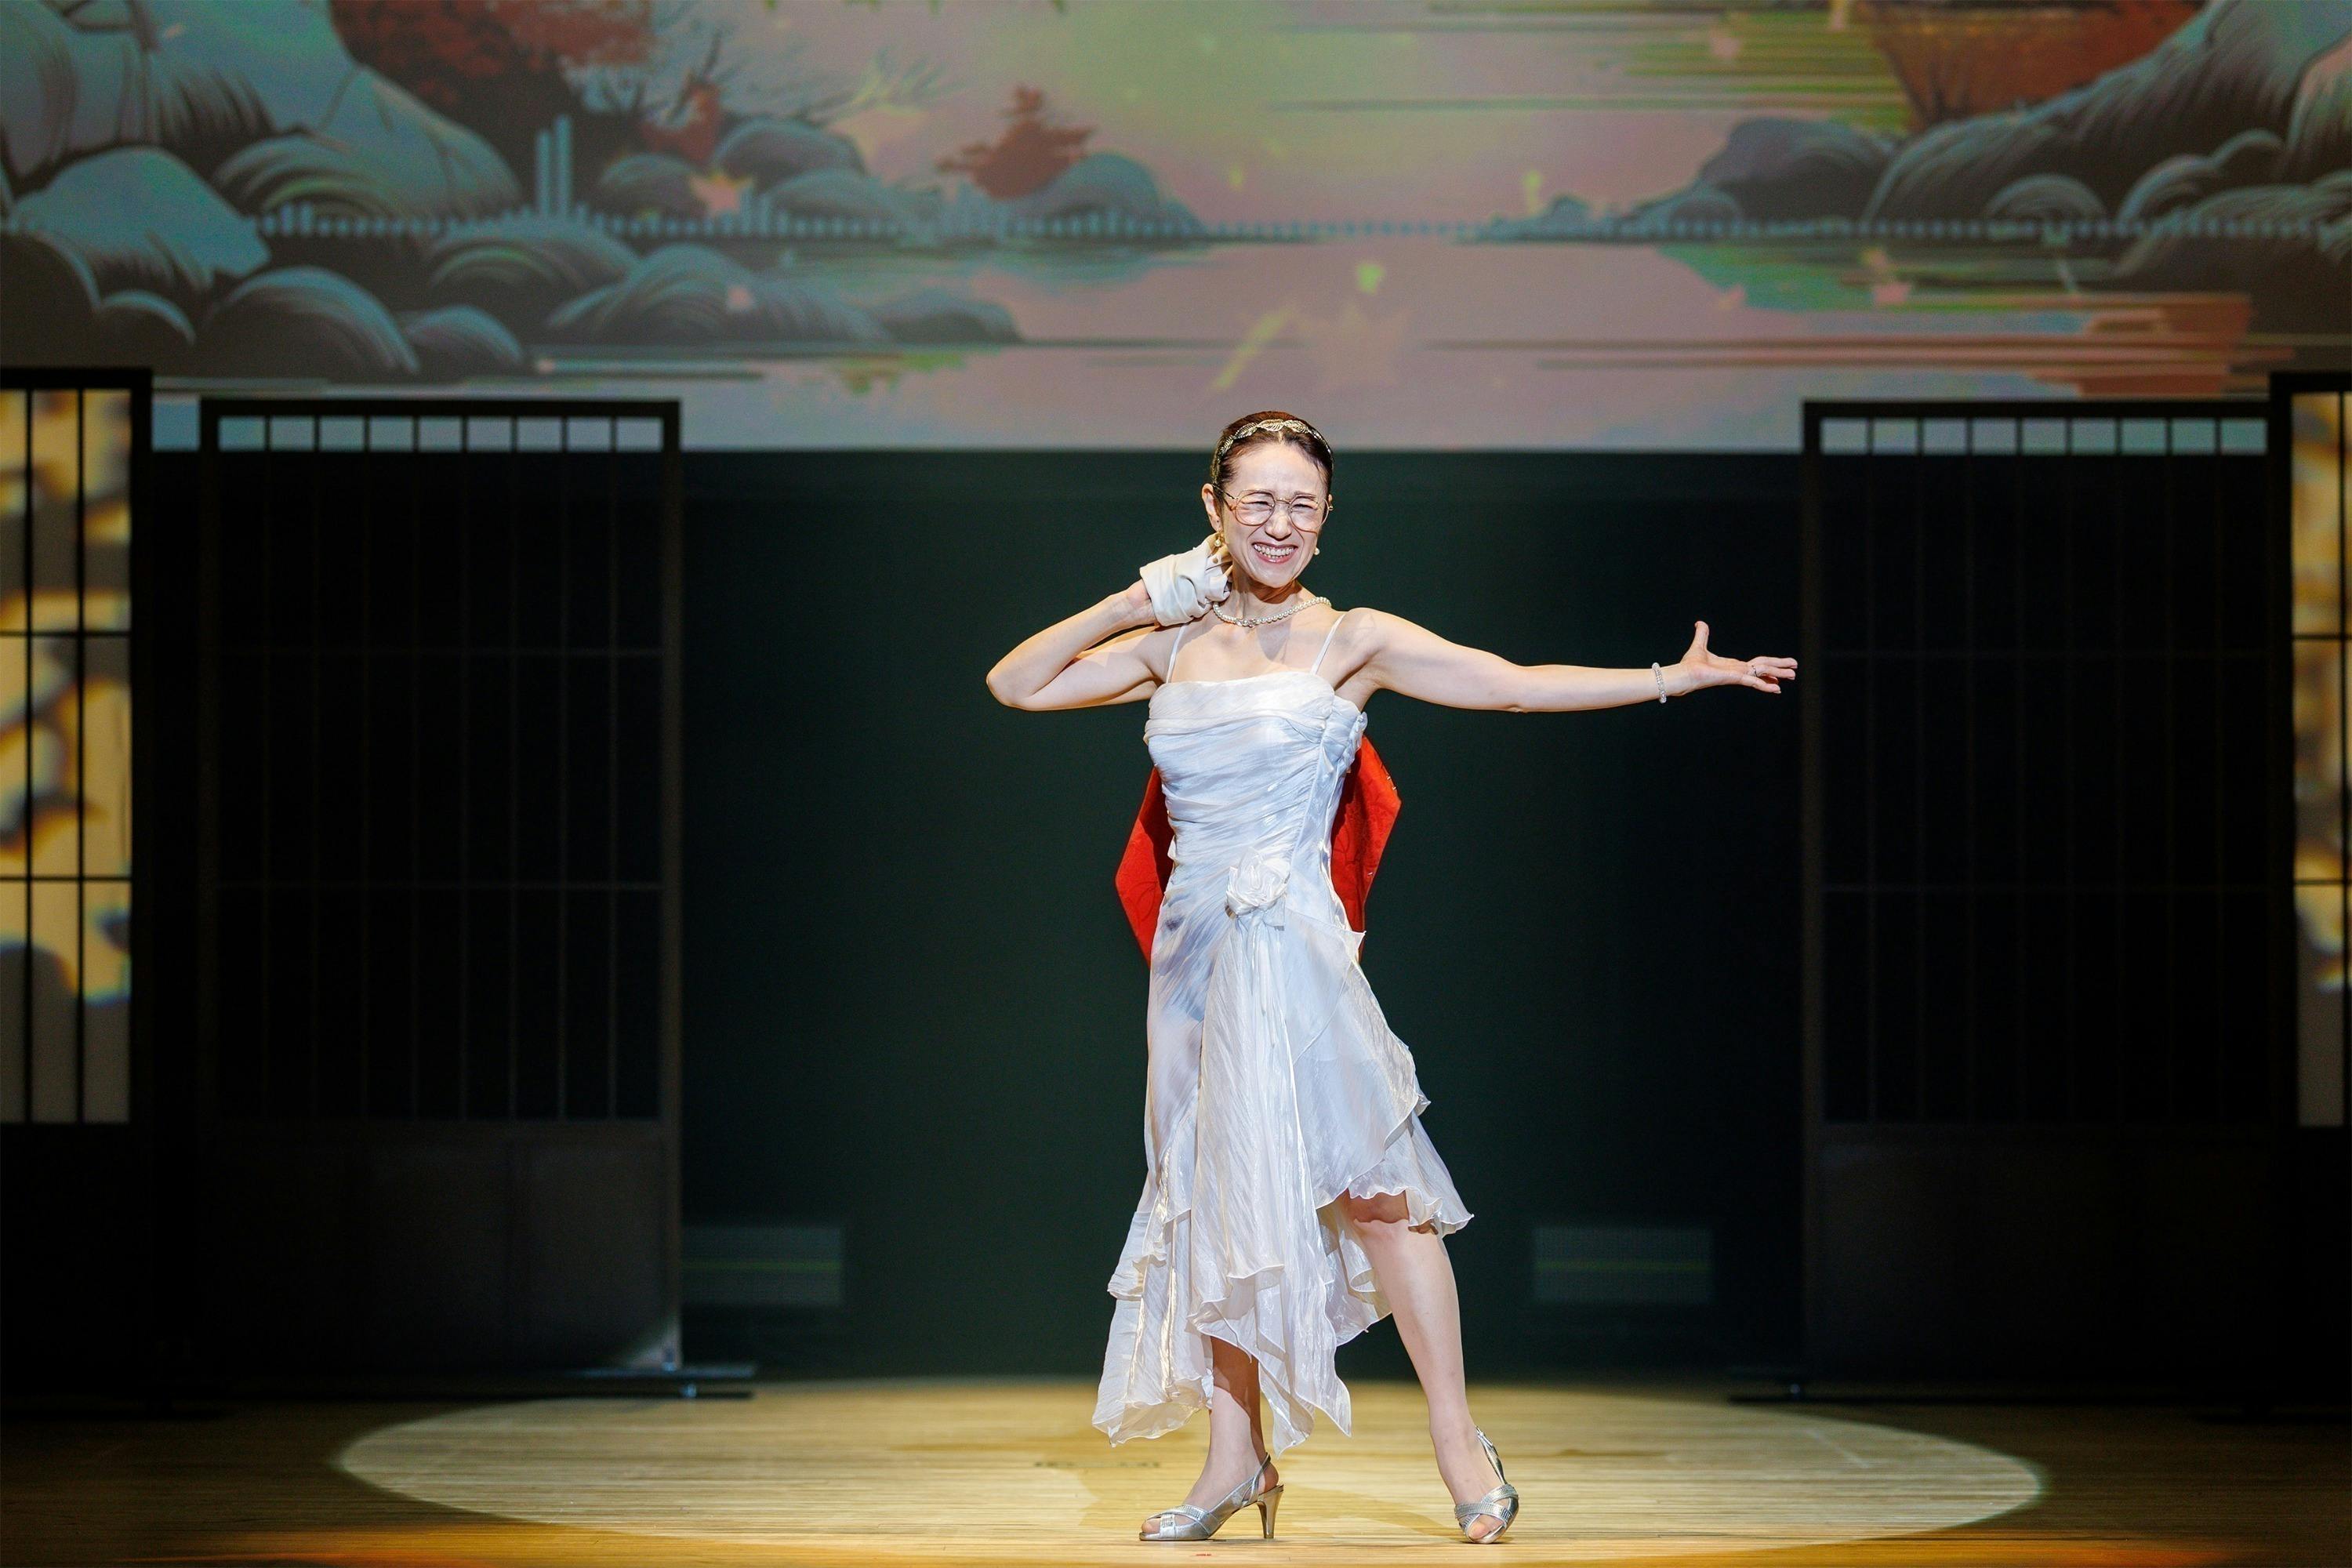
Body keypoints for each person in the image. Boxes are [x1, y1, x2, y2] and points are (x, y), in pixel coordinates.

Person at [984, 412, 1797, 1544]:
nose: (1279, 523)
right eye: (1258, 501)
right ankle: (1234, 1461)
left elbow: (1511, 686)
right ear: (1214, 510)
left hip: (1298, 955)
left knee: (1378, 1196)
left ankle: (1458, 1441)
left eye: (1302, 505)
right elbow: (1018, 685)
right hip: (1195, 966)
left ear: (1326, 520)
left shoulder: (1352, 639)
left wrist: (1673, 678)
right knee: (1211, 1200)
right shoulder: (1172, 643)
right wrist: (1136, 600)